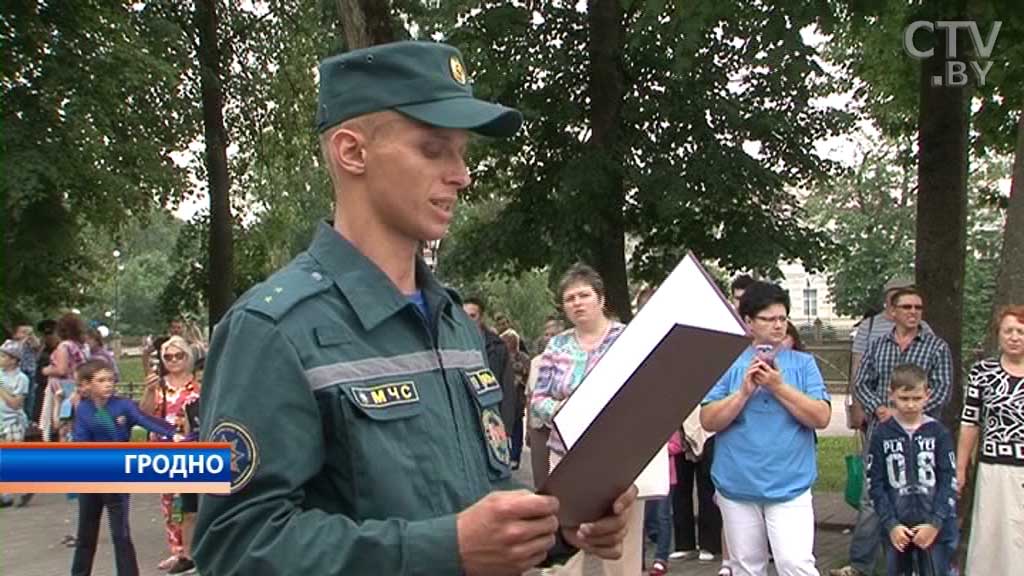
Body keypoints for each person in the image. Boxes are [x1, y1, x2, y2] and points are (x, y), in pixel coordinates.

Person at [192, 41, 635, 576]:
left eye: (462, 152)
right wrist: (443, 549)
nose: (462, 174)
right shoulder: (274, 330)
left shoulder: (452, 321)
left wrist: (558, 528)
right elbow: (234, 546)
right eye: (432, 148)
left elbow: (480, 492)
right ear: (351, 152)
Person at [700, 281, 831, 576]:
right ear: (748, 322)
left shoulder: (803, 364)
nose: (778, 326)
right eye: (769, 319)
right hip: (737, 484)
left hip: (790, 483)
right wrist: (743, 393)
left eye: (783, 319)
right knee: (746, 567)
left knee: (795, 564)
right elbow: (708, 420)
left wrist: (778, 387)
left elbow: (821, 417)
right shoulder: (727, 364)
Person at [532, 263, 642, 575]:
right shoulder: (557, 345)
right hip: (566, 456)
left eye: (584, 295)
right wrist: (563, 410)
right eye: (570, 298)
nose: (577, 302)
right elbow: (539, 399)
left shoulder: (627, 339)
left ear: (601, 299)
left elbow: (642, 393)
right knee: (563, 548)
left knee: (620, 548)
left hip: (617, 458)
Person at [835, 287, 953, 576]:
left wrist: (908, 412)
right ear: (893, 312)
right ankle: (860, 565)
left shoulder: (936, 347)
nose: (913, 312)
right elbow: (862, 382)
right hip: (882, 433)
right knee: (872, 496)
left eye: (918, 308)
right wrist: (879, 409)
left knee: (919, 495)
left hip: (921, 437)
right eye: (907, 307)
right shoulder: (878, 346)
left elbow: (943, 389)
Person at [70, 358, 179, 576]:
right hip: (91, 479)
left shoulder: (123, 406)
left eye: (111, 380)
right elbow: (80, 440)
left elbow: (145, 420)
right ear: (86, 386)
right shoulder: (83, 409)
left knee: (121, 534)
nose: (108, 384)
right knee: (86, 535)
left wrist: (174, 433)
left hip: (117, 478)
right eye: (101, 380)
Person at [866, 364, 957, 576]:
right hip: (897, 526)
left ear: (927, 395)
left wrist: (935, 523)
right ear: (892, 396)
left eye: (916, 398)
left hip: (934, 526)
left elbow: (949, 481)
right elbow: (874, 483)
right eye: (904, 398)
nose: (910, 405)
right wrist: (891, 524)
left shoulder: (938, 433)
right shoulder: (882, 433)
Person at [956, 305, 1024, 574]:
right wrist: (961, 469)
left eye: (1021, 331)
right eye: (1008, 331)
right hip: (995, 469)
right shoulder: (982, 373)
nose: (1014, 337)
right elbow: (970, 423)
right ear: (998, 335)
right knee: (993, 536)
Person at [141, 335, 200, 573]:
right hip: (163, 448)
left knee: (189, 503)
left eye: (179, 355)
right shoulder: (159, 384)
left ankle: (188, 550)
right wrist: (149, 390)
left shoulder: (198, 386)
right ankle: (176, 551)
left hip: (190, 447)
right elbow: (144, 415)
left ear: (188, 356)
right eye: (168, 356)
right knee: (169, 503)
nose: (174, 360)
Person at [670, 406, 722, 564]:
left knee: (707, 488)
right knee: (679, 489)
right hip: (679, 433)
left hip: (707, 431)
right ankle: (684, 545)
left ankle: (709, 545)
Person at [526, 315, 565, 489]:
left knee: (561, 475)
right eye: (546, 334)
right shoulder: (536, 362)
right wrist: (528, 428)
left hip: (560, 426)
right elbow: (530, 396)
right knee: (540, 476)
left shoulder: (570, 362)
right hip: (538, 426)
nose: (548, 338)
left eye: (553, 335)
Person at [40, 313, 89, 443]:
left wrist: (46, 370)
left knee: (64, 426)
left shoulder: (64, 346)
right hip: (78, 387)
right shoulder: (79, 346)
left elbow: (62, 369)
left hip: (64, 389)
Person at [0, 339, 31, 508]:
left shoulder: (21, 379)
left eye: (3, 356)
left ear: (13, 359)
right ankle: (6, 494)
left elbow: (16, 404)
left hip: (13, 422)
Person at [500, 328, 530, 469]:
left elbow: (528, 376)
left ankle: (515, 457)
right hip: (503, 400)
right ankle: (503, 456)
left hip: (518, 401)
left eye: (511, 341)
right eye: (506, 341)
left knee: (517, 428)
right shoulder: (500, 356)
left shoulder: (523, 357)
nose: (508, 344)